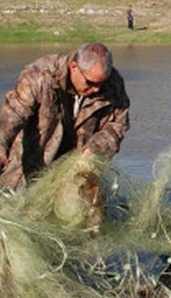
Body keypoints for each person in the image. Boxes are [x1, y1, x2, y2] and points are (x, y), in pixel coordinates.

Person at [0, 42, 130, 191]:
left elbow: (118, 124)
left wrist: (96, 148)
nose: (97, 89)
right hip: (29, 169)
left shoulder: (113, 83)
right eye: (91, 83)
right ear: (74, 67)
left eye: (102, 83)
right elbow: (12, 115)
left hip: (77, 172)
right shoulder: (39, 76)